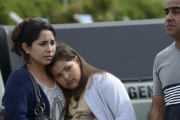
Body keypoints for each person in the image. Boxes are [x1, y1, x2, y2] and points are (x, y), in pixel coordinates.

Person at [47, 44, 137, 120]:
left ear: (77, 60)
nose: (66, 77)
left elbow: (127, 116)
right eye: (58, 75)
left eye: (68, 68)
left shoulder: (105, 81)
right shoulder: (58, 97)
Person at [4, 18, 65, 120]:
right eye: (43, 44)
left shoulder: (57, 73)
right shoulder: (19, 79)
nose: (50, 49)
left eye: (52, 43)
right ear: (26, 48)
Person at [148, 0, 180, 120]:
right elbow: (158, 110)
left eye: (176, 12)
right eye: (167, 12)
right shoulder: (161, 59)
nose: (168, 18)